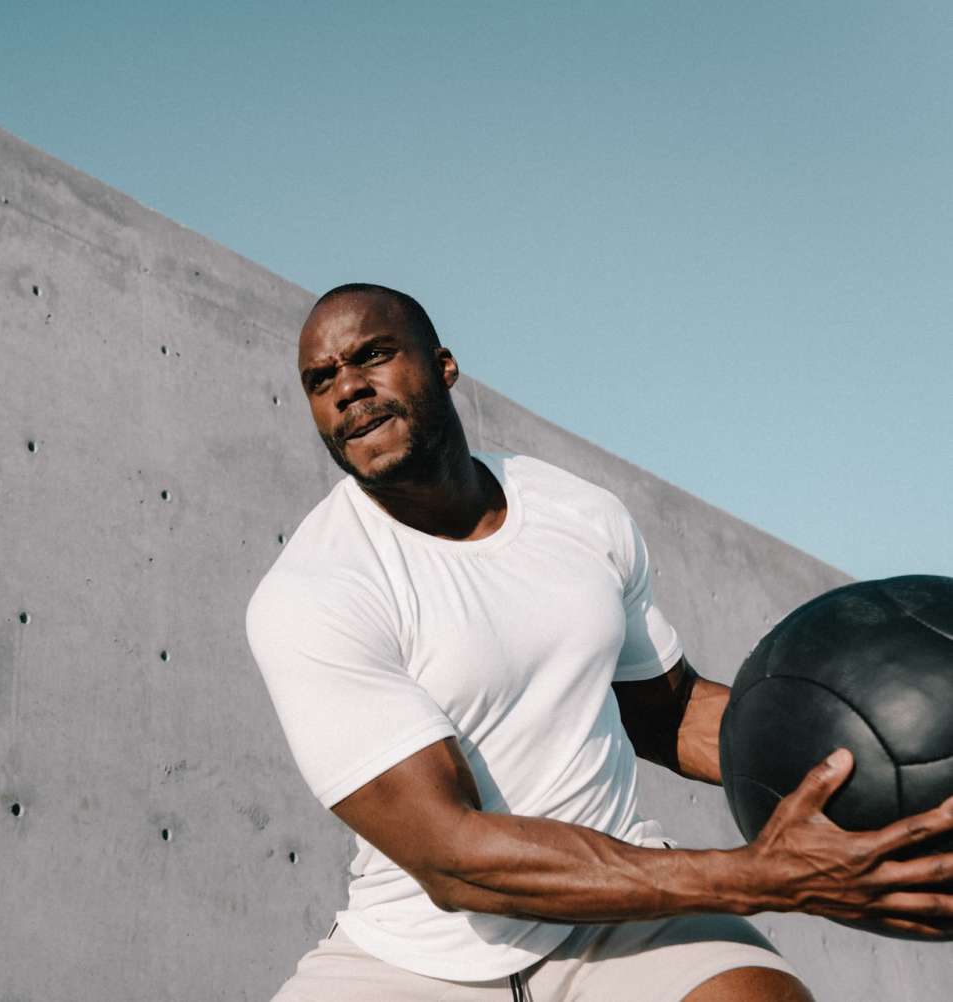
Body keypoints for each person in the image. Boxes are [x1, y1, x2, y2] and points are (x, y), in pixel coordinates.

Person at [245, 283, 953, 1002]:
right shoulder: (314, 591)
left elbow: (669, 713)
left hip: (622, 912)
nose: (347, 389)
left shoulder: (577, 513)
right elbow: (452, 858)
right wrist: (759, 876)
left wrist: (873, 772)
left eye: (372, 356)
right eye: (320, 380)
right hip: (413, 952)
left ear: (444, 366)